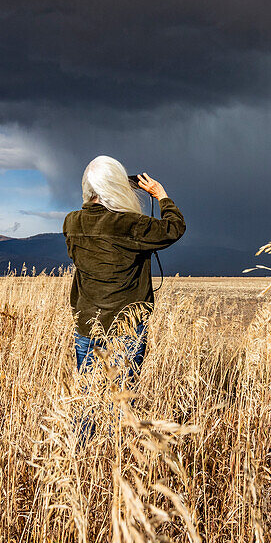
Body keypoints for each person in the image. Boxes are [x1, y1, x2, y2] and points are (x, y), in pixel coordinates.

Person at [62, 155, 185, 387]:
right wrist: (161, 196)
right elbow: (174, 228)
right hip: (126, 326)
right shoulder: (130, 223)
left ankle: (84, 425)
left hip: (87, 324)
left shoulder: (71, 222)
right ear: (115, 186)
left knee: (88, 397)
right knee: (121, 402)